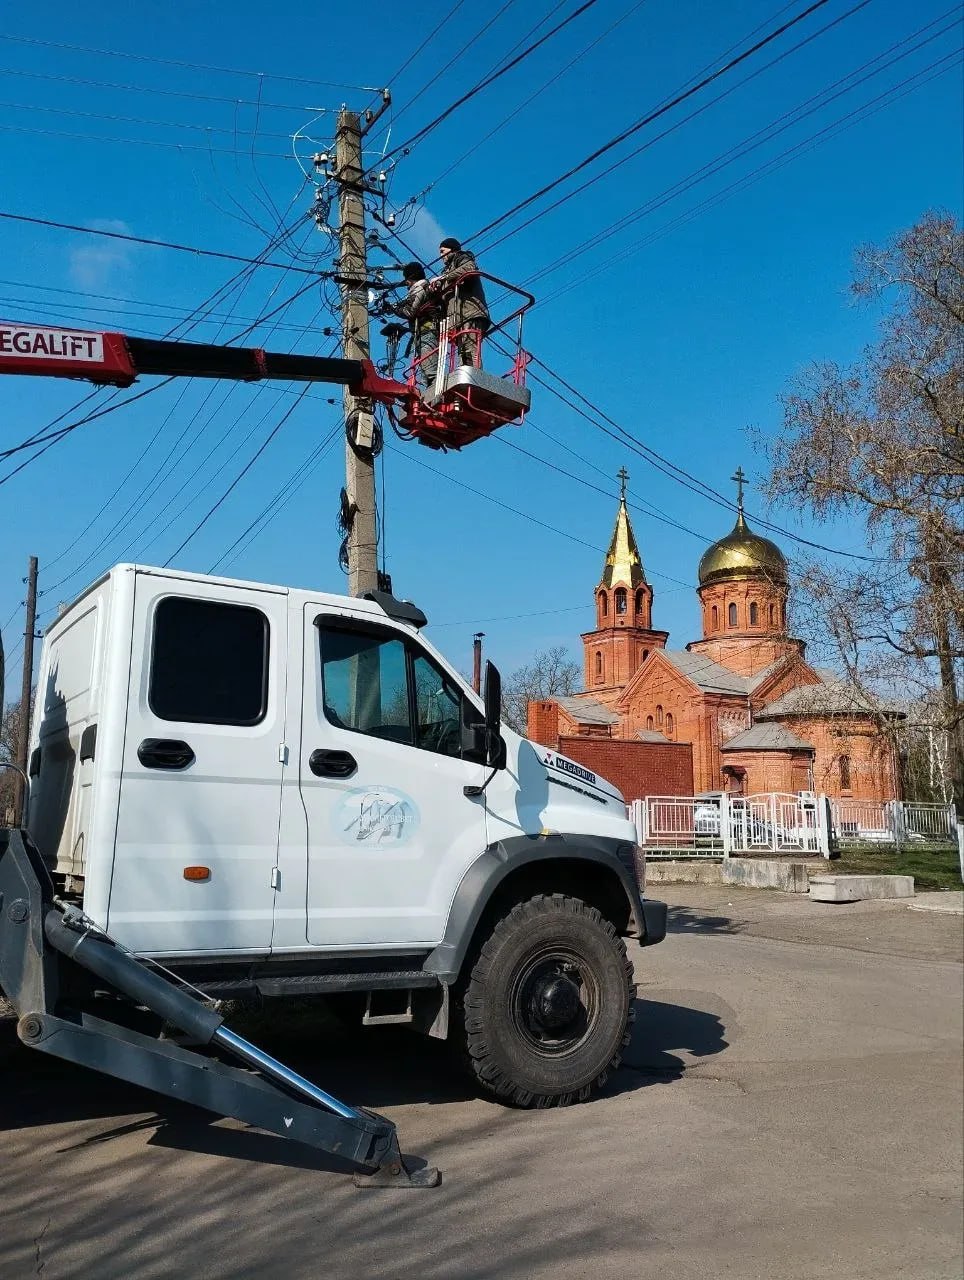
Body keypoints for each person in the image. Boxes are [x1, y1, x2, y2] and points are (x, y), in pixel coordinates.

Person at [433, 237, 490, 368]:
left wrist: (445, 278)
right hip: (459, 317)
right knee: (463, 352)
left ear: (452, 249)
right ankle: (466, 373)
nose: (441, 256)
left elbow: (469, 268)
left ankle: (475, 376)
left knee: (470, 349)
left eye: (443, 251)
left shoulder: (462, 257)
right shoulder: (448, 270)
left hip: (470, 313)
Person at [388, 262, 441, 387]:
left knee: (430, 372)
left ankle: (435, 391)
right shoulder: (419, 289)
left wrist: (394, 309)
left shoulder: (420, 288)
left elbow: (410, 312)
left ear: (410, 278)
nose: (405, 282)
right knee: (425, 373)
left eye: (406, 278)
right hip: (422, 333)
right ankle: (430, 392)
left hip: (427, 331)